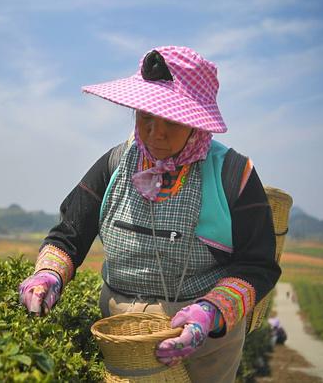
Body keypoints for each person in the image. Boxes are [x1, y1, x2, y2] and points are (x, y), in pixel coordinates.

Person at [18, 46, 280, 382]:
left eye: (171, 120)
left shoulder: (232, 174)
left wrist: (209, 312)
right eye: (146, 117)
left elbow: (257, 263)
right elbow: (69, 234)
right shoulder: (116, 163)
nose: (156, 133)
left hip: (203, 344)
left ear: (195, 122)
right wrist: (48, 275)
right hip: (122, 336)